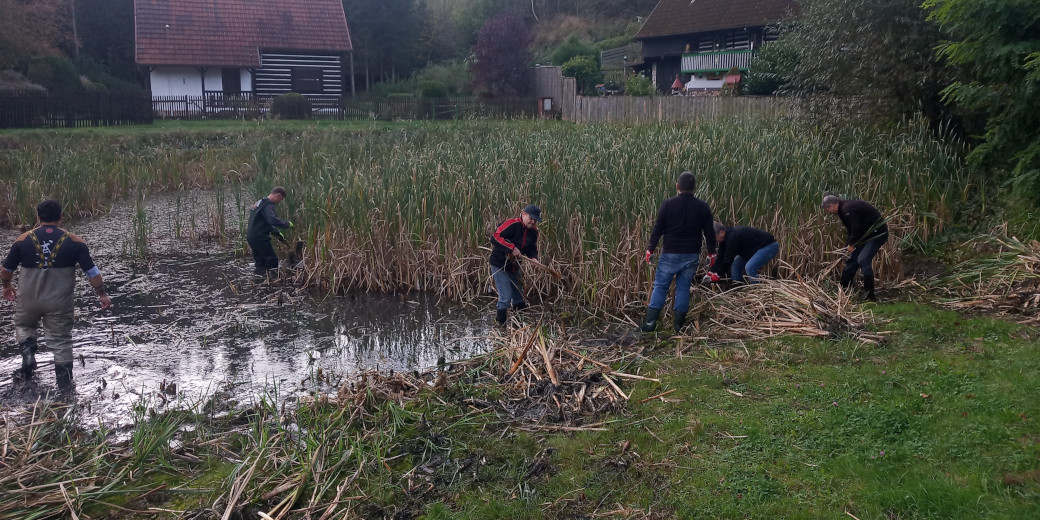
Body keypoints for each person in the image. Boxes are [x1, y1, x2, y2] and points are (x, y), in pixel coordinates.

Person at [1, 199, 112, 387]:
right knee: (61, 341)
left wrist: (6, 286)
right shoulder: (75, 242)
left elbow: (5, 269)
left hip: (28, 300)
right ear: (61, 216)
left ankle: (28, 353)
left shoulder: (22, 240)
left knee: (24, 326)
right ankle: (65, 387)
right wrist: (102, 294)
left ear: (38, 217)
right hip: (59, 303)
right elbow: (92, 273)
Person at [642, 171, 716, 332]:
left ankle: (650, 324)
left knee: (660, 287)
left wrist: (650, 249)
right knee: (683, 289)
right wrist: (712, 253)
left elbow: (658, 229)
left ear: (677, 186)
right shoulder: (703, 207)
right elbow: (709, 232)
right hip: (691, 254)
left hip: (670, 254)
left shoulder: (668, 204)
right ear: (694, 187)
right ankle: (678, 326)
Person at [822, 194, 888, 301]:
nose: (828, 212)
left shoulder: (847, 209)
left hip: (876, 235)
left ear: (832, 205)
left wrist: (852, 244)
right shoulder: (843, 210)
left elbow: (857, 228)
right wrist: (847, 246)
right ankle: (843, 290)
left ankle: (869, 295)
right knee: (852, 260)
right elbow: (851, 230)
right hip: (865, 235)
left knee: (863, 260)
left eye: (827, 209)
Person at [489, 204, 542, 326]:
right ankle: (500, 328)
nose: (533, 222)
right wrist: (511, 248)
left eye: (535, 220)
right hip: (499, 264)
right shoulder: (513, 224)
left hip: (514, 267)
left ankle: (520, 327)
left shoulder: (534, 232)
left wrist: (534, 258)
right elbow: (495, 237)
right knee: (505, 299)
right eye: (530, 218)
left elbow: (532, 248)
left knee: (519, 298)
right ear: (523, 214)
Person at [702, 223, 779, 284]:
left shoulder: (732, 237)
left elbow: (728, 260)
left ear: (721, 232)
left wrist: (718, 274)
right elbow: (721, 257)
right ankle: (737, 287)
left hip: (768, 246)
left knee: (750, 267)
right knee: (736, 265)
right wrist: (711, 272)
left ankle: (758, 289)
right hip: (752, 249)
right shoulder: (724, 239)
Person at [246, 186, 293, 274]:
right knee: (272, 261)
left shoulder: (259, 203)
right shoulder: (268, 205)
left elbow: (263, 222)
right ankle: (272, 280)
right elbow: (272, 220)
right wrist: (287, 224)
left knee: (260, 262)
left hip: (251, 237)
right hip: (260, 237)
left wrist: (276, 232)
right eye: (281, 200)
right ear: (278, 196)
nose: (279, 202)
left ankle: (259, 278)